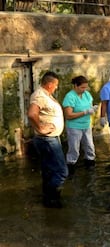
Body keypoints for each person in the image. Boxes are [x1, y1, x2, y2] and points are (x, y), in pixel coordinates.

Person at [27, 71, 67, 208]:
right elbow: (32, 114)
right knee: (62, 171)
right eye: (56, 85)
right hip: (47, 139)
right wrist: (41, 128)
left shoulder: (45, 95)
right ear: (49, 84)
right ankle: (52, 196)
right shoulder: (39, 96)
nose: (56, 87)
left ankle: (48, 199)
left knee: (48, 170)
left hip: (49, 138)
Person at [62, 76, 98, 177]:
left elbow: (89, 106)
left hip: (86, 125)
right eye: (82, 87)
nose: (84, 90)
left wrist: (92, 109)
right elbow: (68, 115)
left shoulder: (87, 94)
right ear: (75, 86)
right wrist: (85, 112)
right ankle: (71, 167)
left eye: (86, 87)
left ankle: (90, 165)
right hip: (74, 127)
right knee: (74, 149)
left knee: (90, 147)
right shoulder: (70, 97)